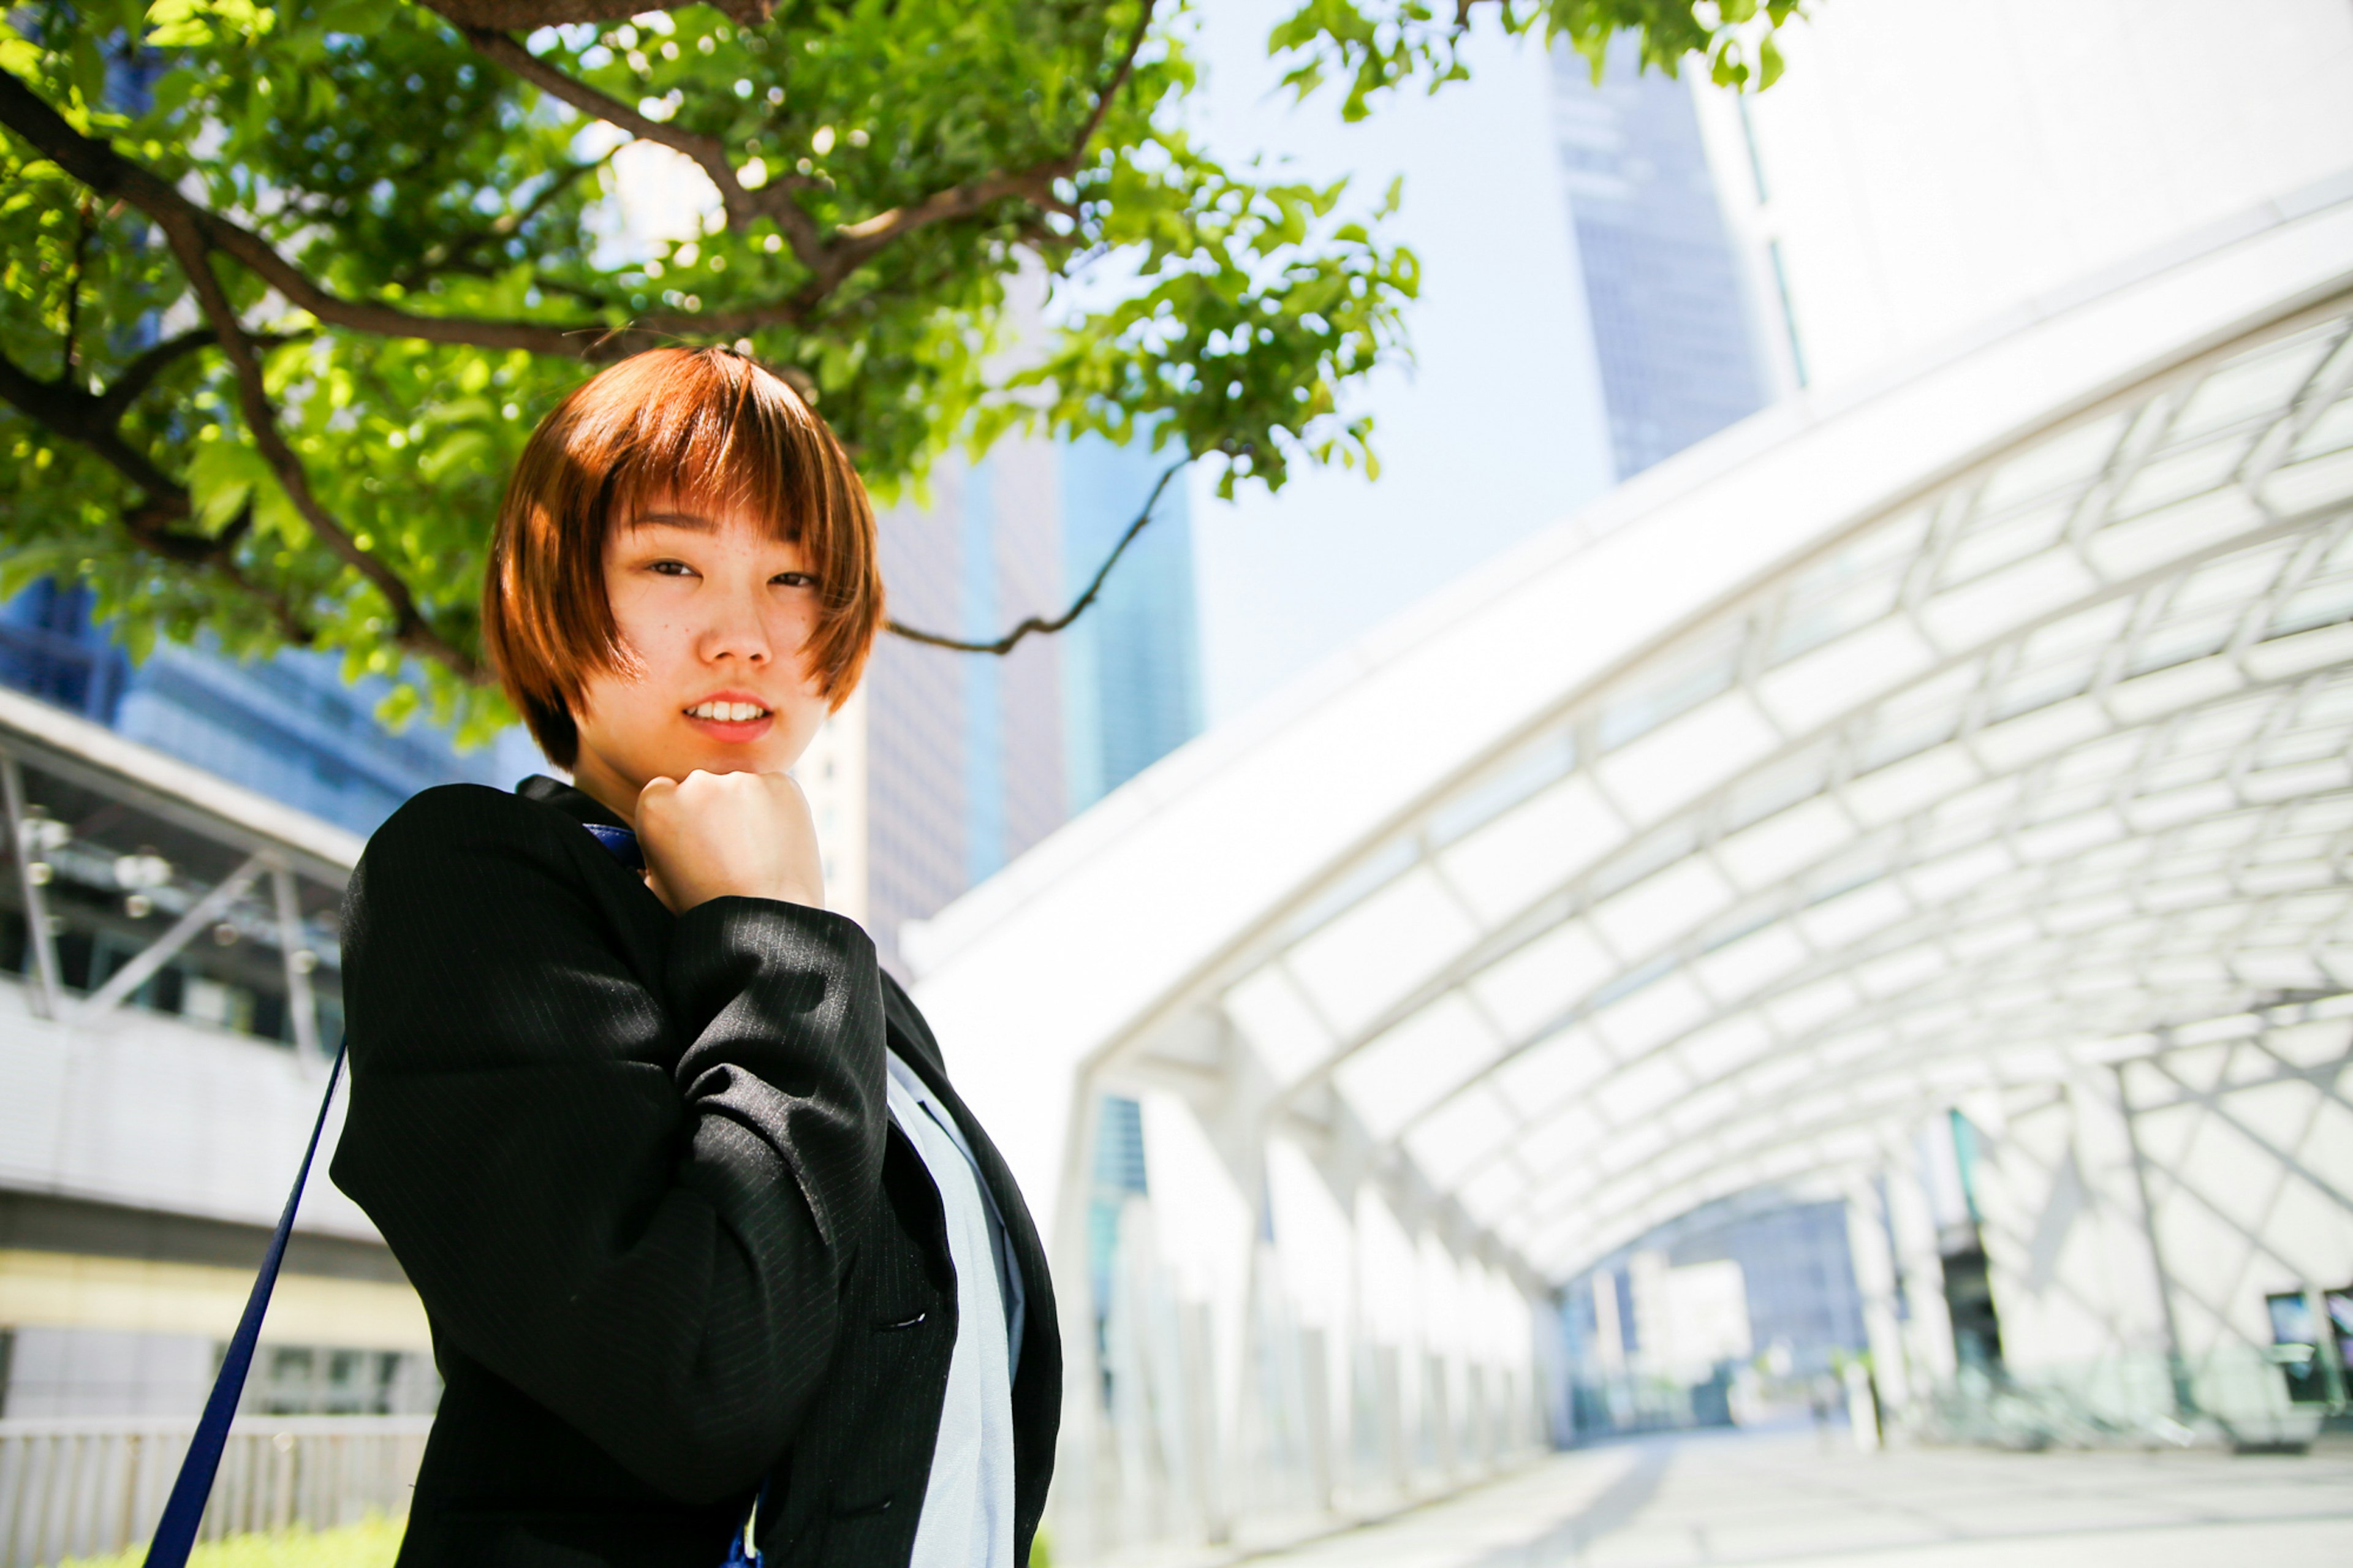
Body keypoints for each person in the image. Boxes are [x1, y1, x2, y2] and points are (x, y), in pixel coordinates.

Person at [330, 347, 1058, 1567]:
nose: (746, 636)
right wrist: (774, 936)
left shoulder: (848, 983)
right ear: (556, 593)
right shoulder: (476, 878)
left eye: (795, 577)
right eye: (672, 563)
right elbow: (700, 1374)